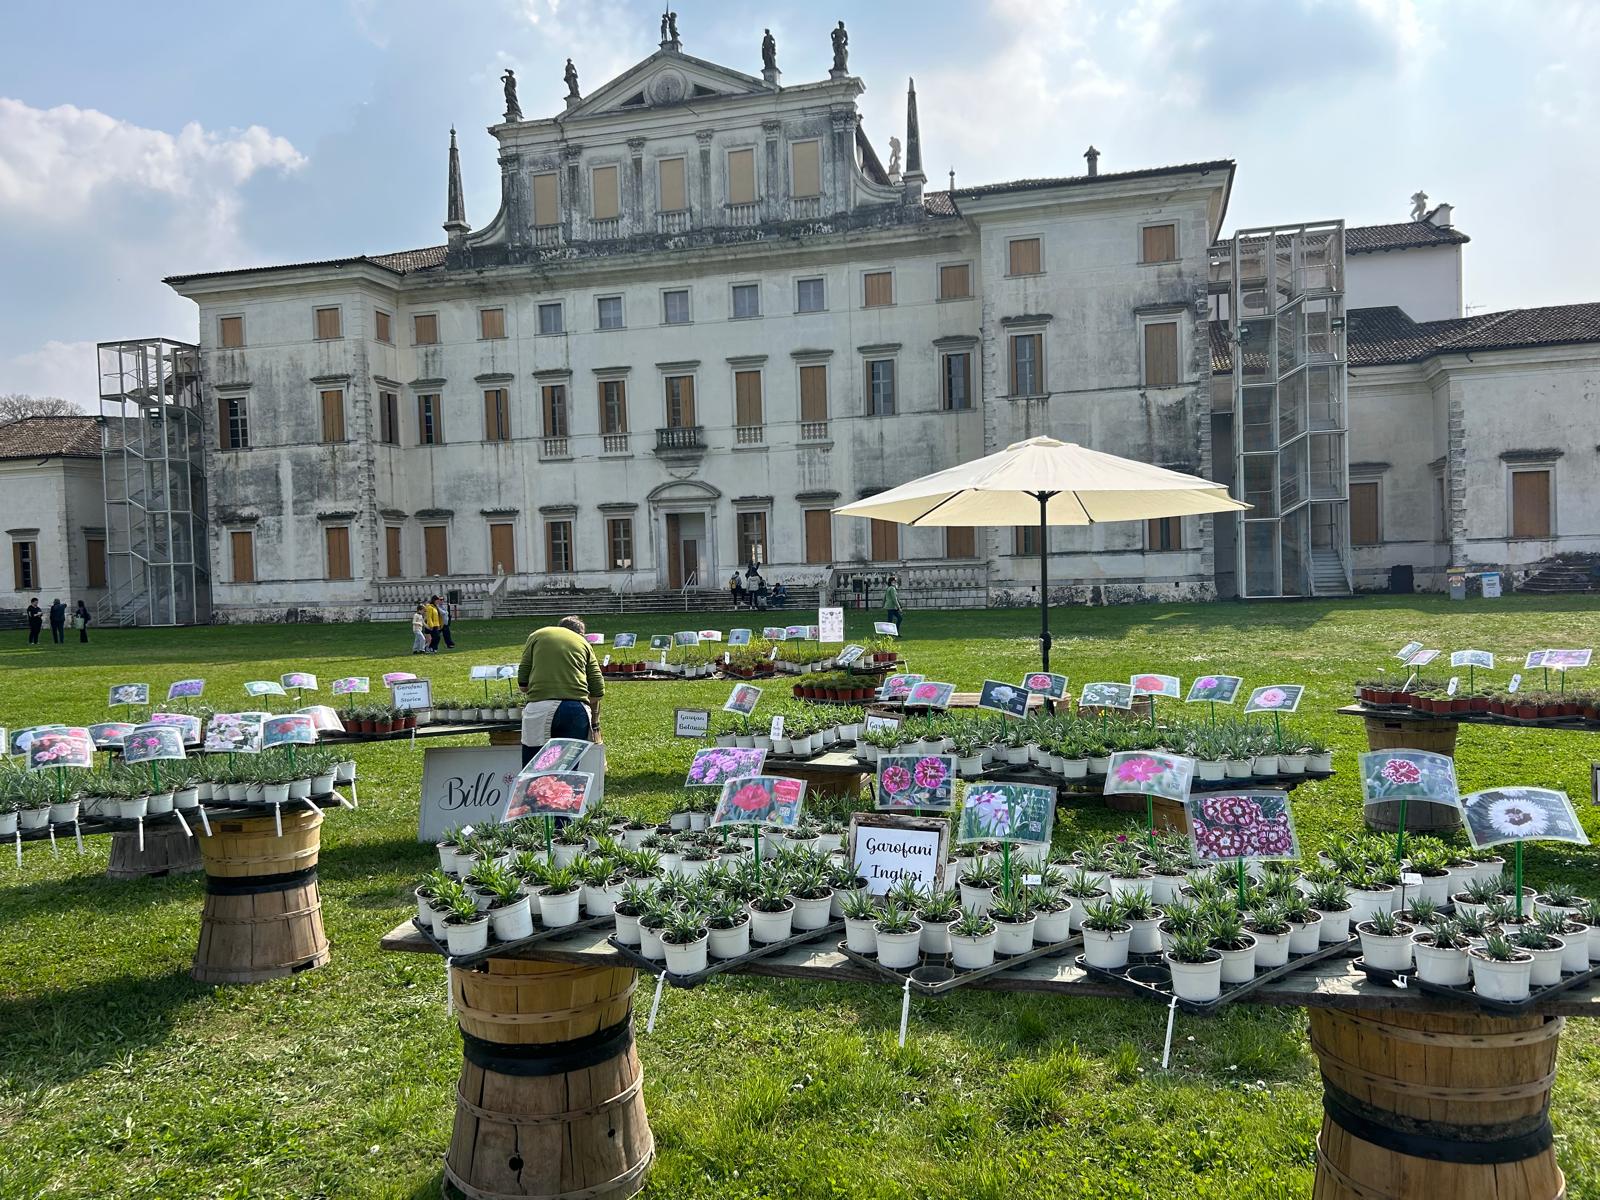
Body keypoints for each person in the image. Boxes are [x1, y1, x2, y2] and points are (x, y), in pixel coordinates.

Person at [516, 615, 605, 765]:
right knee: (567, 770)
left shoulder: (537, 635)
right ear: (581, 634)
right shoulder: (584, 643)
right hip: (575, 710)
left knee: (534, 769)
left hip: (539, 709)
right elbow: (598, 690)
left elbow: (523, 682)